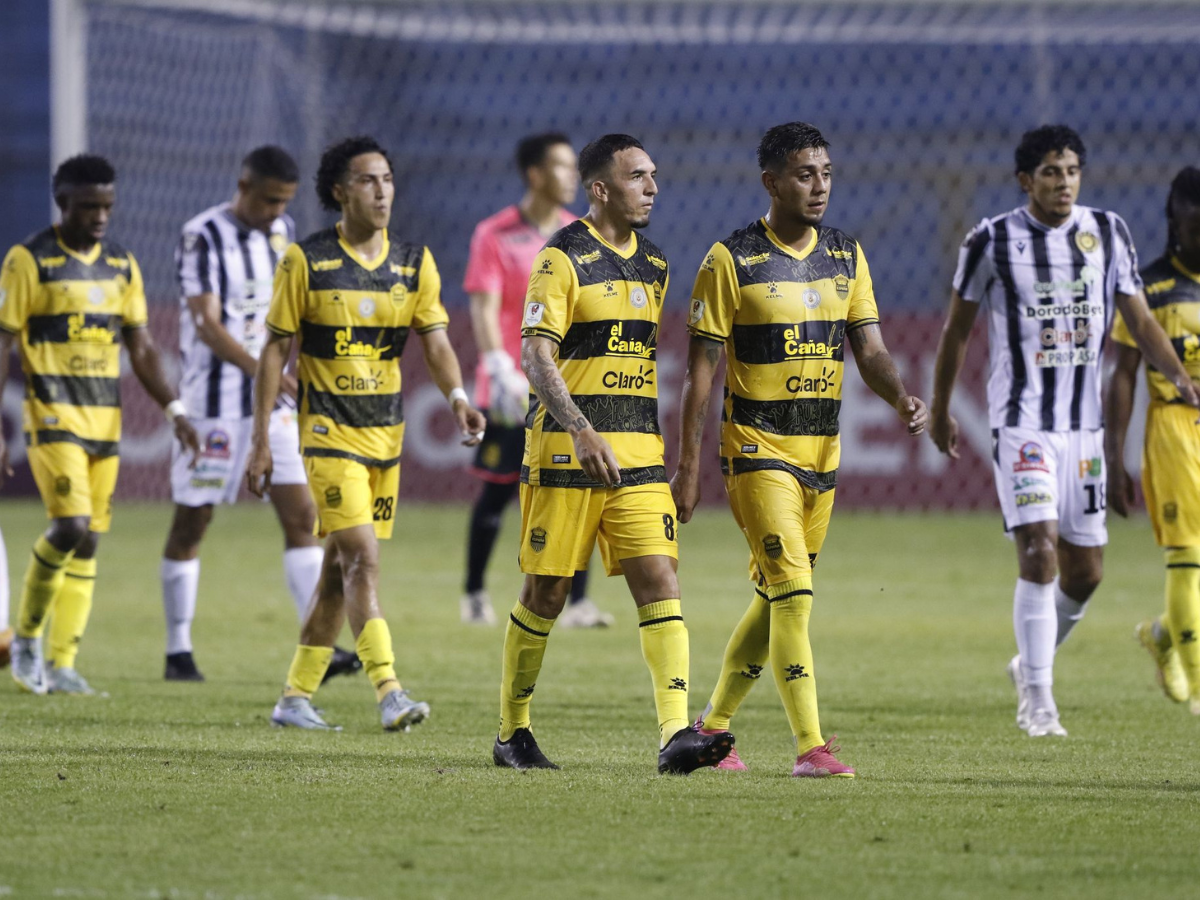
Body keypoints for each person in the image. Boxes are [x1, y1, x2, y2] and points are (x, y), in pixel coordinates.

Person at [672, 122, 927, 778]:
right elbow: (700, 371)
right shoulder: (730, 260)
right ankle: (811, 747)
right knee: (794, 592)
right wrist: (688, 466)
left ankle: (711, 728)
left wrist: (900, 397)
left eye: (827, 173)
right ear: (771, 182)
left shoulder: (847, 255)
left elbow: (868, 349)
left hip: (823, 454)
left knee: (774, 596)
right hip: (758, 450)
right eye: (805, 174)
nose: (819, 186)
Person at [930, 125, 1200, 737]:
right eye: (1051, 172)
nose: (1063, 182)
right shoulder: (992, 240)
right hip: (1021, 423)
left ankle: (1029, 661)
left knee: (1087, 572)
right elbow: (956, 332)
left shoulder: (1107, 232)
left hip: (1082, 429)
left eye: (1072, 171)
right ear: (1026, 180)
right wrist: (943, 407)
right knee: (1039, 553)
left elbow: (1139, 317)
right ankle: (1039, 699)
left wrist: (1180, 379)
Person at [493, 133, 734, 774]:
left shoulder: (654, 264)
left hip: (638, 452)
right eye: (637, 176)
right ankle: (511, 732)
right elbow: (536, 356)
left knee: (659, 578)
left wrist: (681, 464)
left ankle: (676, 733)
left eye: (654, 174)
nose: (651, 186)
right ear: (600, 189)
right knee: (546, 592)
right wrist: (578, 427)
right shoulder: (560, 258)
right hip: (567, 451)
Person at [248, 135, 485, 731]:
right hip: (329, 435)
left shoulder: (414, 263)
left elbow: (434, 342)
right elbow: (274, 350)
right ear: (339, 192)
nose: (381, 191)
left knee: (337, 571)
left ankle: (293, 699)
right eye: (366, 181)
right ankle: (390, 692)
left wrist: (458, 398)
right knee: (362, 558)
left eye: (387, 179)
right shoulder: (305, 262)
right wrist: (259, 441)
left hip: (387, 437)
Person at [0, 154, 200, 695]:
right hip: (51, 413)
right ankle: (25, 639)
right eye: (89, 206)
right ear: (62, 202)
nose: (100, 216)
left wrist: (175, 411)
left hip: (104, 420)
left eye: (107, 206)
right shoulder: (29, 261)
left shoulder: (121, 264)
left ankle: (63, 665)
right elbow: (3, 341)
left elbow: (142, 346)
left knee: (88, 544)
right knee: (70, 527)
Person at [159, 146, 359, 683]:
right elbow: (205, 323)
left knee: (301, 519)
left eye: (284, 202)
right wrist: (263, 368)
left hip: (275, 402)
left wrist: (289, 364)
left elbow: (287, 310)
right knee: (192, 523)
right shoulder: (200, 235)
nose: (277, 211)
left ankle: (316, 644)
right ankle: (178, 650)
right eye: (269, 199)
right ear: (243, 185)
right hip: (213, 407)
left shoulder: (281, 232)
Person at [461, 133, 609, 628]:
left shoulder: (577, 233)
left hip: (564, 386)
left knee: (580, 484)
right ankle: (475, 593)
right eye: (563, 167)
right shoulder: (495, 234)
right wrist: (498, 365)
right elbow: (484, 305)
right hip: (509, 385)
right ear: (535, 174)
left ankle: (579, 602)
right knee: (500, 489)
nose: (573, 177)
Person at [1107, 166, 1200, 714]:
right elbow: (1122, 374)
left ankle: (1164, 634)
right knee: (1187, 559)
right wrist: (1116, 458)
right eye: (1196, 223)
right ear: (1176, 222)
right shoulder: (1153, 288)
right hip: (1175, 430)